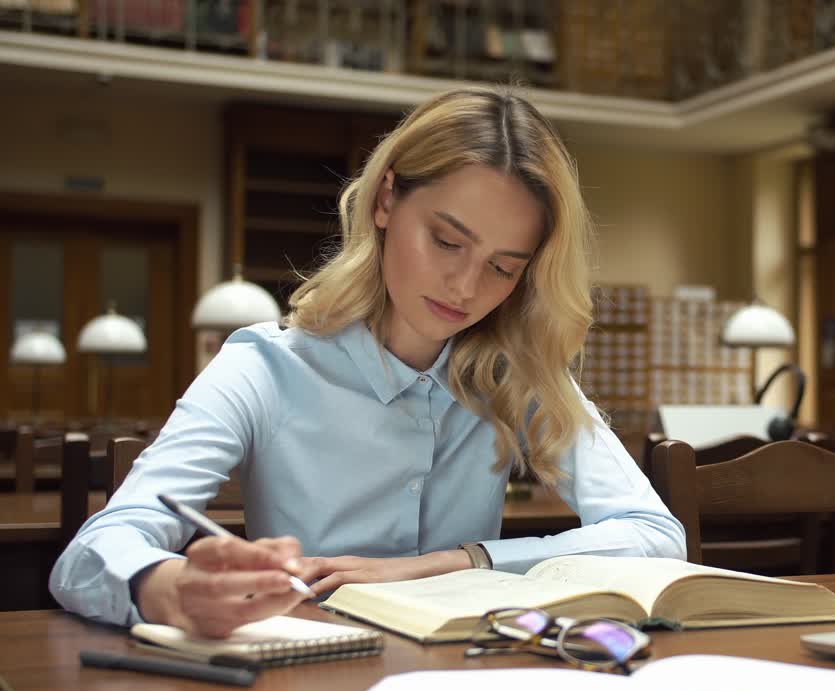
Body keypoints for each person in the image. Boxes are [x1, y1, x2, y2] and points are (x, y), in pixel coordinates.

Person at [50, 88, 686, 637]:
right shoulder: (263, 367)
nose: (465, 287)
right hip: (307, 678)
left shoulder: (515, 373)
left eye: (502, 267)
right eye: (445, 240)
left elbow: (656, 535)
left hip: (464, 680)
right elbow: (90, 555)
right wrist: (169, 588)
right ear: (385, 201)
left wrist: (458, 561)